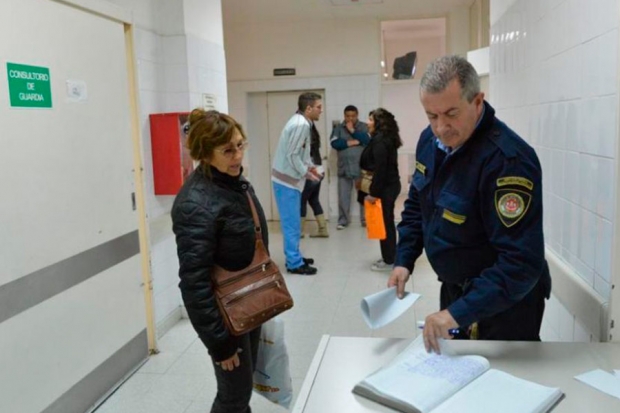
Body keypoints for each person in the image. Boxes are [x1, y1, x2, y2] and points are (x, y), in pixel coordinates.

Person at [388, 55, 551, 354]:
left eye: (451, 113)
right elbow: (417, 205)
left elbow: (521, 262)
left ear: (477, 101)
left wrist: (456, 315)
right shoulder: (429, 142)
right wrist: (404, 258)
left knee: (500, 389)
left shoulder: (507, 161)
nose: (441, 128)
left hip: (505, 303)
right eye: (431, 116)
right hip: (455, 290)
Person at [171, 109, 265, 412]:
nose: (237, 155)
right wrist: (219, 342)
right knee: (233, 396)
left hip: (247, 300)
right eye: (227, 150)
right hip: (224, 318)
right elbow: (194, 283)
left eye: (240, 145)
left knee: (243, 387)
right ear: (204, 154)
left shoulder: (234, 182)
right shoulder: (195, 203)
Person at [271, 92, 323, 275]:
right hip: (286, 182)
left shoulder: (301, 122)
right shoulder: (300, 125)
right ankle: (294, 263)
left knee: (292, 223)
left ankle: (295, 256)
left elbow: (301, 153)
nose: (321, 111)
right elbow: (292, 155)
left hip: (288, 180)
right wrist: (306, 173)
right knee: (292, 224)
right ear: (308, 108)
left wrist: (310, 167)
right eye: (318, 107)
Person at [359, 108, 402, 272]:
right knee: (387, 222)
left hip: (385, 188)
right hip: (388, 186)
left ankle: (390, 260)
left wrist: (373, 193)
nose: (368, 122)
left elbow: (381, 170)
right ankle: (389, 255)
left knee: (385, 224)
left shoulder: (380, 141)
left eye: (370, 119)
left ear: (379, 123)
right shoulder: (383, 138)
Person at [330, 105, 369, 230]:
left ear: (357, 115)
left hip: (361, 168)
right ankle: (343, 220)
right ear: (344, 116)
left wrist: (353, 131)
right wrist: (351, 142)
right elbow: (335, 143)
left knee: (364, 196)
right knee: (343, 197)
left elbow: (368, 140)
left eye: (353, 116)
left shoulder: (364, 127)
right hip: (344, 168)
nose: (350, 118)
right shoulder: (338, 128)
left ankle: (365, 220)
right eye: (348, 116)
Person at [300, 121, 328, 238]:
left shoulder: (304, 139)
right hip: (319, 171)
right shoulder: (315, 137)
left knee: (301, 200)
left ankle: (299, 231)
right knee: (314, 199)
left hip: (310, 171)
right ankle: (323, 229)